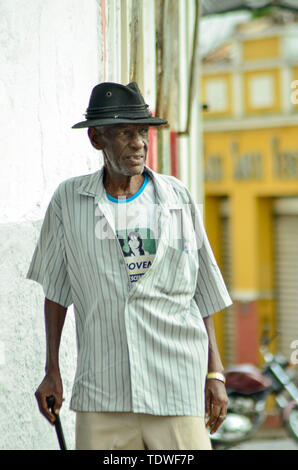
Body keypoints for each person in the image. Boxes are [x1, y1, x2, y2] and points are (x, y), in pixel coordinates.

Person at [27, 81, 233, 450]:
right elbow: (56, 294)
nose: (139, 143)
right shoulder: (69, 201)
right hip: (104, 394)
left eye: (142, 131)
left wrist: (214, 371)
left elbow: (202, 292)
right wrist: (51, 371)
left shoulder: (177, 198)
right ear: (96, 139)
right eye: (124, 132)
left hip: (176, 387)